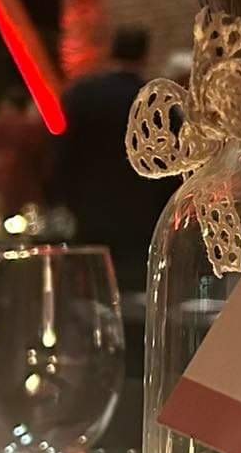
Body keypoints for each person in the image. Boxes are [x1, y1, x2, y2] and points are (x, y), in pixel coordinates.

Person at [52, 25, 173, 290]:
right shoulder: (156, 102)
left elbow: (64, 156)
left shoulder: (82, 95)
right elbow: (171, 163)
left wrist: (64, 198)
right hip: (140, 215)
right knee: (135, 291)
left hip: (90, 212)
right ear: (144, 55)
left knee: (93, 289)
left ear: (111, 52)